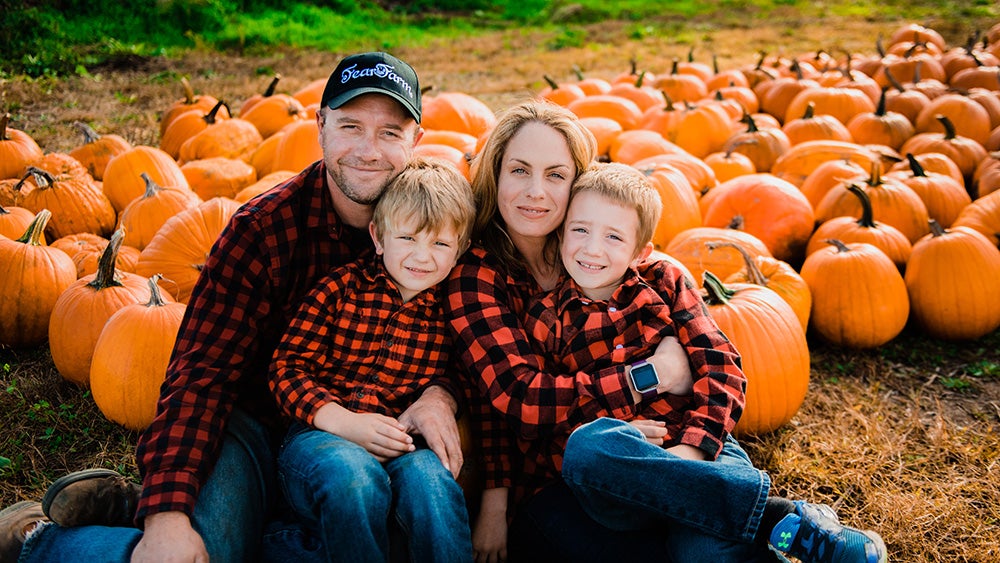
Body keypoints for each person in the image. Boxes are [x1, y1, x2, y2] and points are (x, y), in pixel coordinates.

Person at [2, 51, 465, 563]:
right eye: (351, 126)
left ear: (417, 140)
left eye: (390, 133)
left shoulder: (439, 229)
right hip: (252, 426)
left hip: (365, 447)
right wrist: (167, 517)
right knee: (203, 554)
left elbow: (477, 338)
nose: (369, 150)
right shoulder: (262, 230)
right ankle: (41, 540)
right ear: (320, 126)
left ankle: (150, 507)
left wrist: (442, 393)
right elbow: (200, 374)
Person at [444, 103, 887, 563]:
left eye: (556, 175)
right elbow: (518, 399)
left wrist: (685, 457)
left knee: (705, 554)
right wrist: (648, 375)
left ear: (578, 183)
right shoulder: (509, 291)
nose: (536, 191)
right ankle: (776, 518)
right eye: (519, 170)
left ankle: (791, 533)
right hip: (590, 463)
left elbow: (721, 364)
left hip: (689, 438)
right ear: (494, 173)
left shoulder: (649, 274)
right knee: (591, 454)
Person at [267, 156, 475, 562]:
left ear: (460, 248)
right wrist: (343, 422)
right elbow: (285, 368)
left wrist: (441, 395)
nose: (422, 256)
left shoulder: (452, 312)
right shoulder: (340, 289)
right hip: (321, 439)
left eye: (440, 243)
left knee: (432, 483)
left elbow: (465, 376)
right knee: (352, 476)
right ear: (378, 237)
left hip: (401, 446)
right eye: (408, 238)